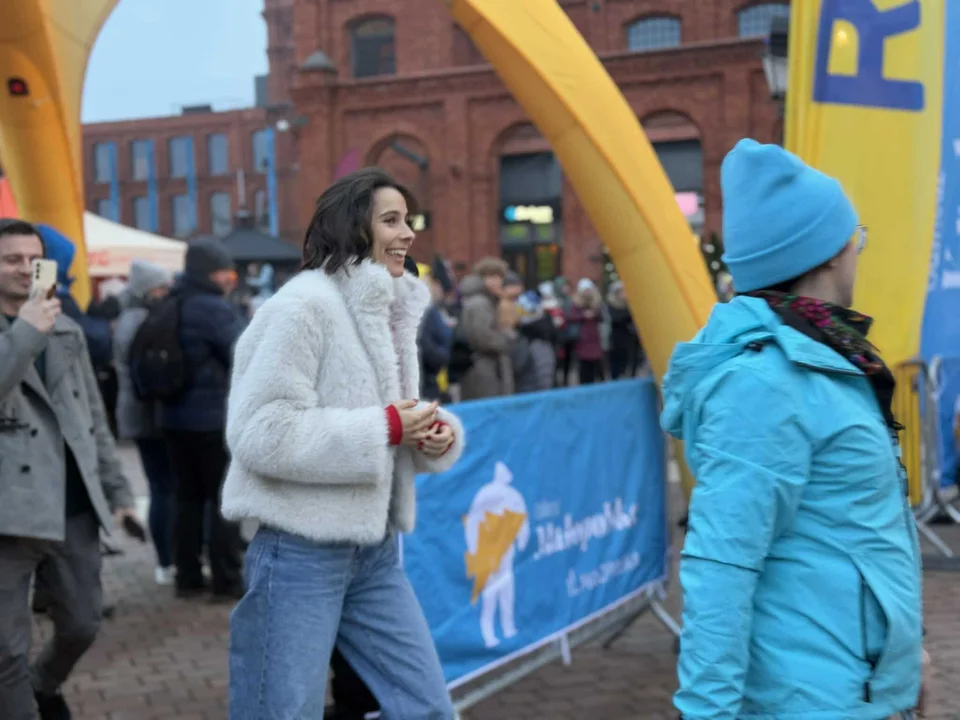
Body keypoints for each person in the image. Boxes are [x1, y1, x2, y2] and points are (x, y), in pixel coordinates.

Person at [661, 139, 923, 718]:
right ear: (829, 252)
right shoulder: (766, 384)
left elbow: (854, 529)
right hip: (812, 698)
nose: (859, 250)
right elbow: (721, 565)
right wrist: (706, 712)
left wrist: (902, 658)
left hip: (853, 684)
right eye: (857, 237)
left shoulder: (825, 355)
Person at [222, 167, 466, 719]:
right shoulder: (302, 306)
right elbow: (259, 432)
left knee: (428, 711)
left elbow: (388, 420)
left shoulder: (387, 308)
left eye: (409, 220)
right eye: (391, 220)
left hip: (374, 552)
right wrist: (385, 428)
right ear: (353, 227)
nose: (408, 233)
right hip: (300, 552)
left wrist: (429, 434)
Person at [0, 218, 138, 720]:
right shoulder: (37, 327)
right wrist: (24, 332)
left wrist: (117, 489)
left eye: (31, 260)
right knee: (5, 651)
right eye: (10, 259)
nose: (23, 269)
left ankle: (46, 682)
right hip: (9, 512)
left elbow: (92, 419)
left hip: (73, 506)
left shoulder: (66, 328)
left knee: (82, 623)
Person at [162, 239, 246, 600]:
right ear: (208, 274)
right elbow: (243, 353)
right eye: (223, 273)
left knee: (187, 498)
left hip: (173, 419)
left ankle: (187, 575)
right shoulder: (213, 309)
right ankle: (226, 579)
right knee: (223, 499)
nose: (229, 281)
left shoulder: (170, 302)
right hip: (212, 420)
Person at [113, 260, 176, 586]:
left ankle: (165, 561)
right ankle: (167, 560)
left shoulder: (126, 318)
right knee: (164, 488)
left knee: (159, 486)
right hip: (148, 416)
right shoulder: (142, 321)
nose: (165, 293)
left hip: (136, 414)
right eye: (160, 288)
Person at [459, 257, 514, 400]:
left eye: (499, 277)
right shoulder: (480, 303)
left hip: (482, 366)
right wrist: (505, 340)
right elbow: (483, 336)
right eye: (491, 276)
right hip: (483, 367)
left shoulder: (484, 299)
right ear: (481, 278)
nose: (497, 281)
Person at [566, 279, 605, 384]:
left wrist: (595, 313)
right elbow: (570, 317)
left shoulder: (597, 302)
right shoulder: (575, 303)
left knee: (596, 363)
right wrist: (584, 315)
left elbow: (603, 317)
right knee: (584, 365)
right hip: (582, 338)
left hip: (594, 337)